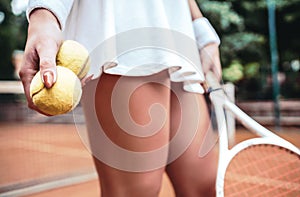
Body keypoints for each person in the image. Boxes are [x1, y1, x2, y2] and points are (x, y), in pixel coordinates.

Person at [20, 0, 222, 196]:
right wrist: (44, 16)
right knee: (137, 191)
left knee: (201, 187)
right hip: (123, 23)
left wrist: (201, 29)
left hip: (175, 29)